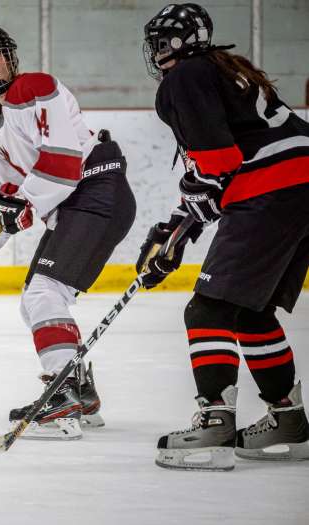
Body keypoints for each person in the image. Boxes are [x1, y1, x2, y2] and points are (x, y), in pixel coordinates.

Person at [0, 25, 136, 440]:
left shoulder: (35, 88)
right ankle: (77, 389)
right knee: (36, 302)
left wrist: (24, 201)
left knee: (43, 294)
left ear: (10, 58)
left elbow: (62, 162)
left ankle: (61, 395)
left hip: (96, 189)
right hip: (73, 204)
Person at [138, 3, 309, 470]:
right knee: (251, 315)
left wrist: (177, 231)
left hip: (272, 189)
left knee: (207, 308)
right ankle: (288, 421)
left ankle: (215, 421)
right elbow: (219, 177)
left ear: (176, 44)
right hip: (299, 186)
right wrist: (177, 231)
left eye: (159, 43)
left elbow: (216, 164)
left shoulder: (185, 77)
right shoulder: (224, 70)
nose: (155, 53)